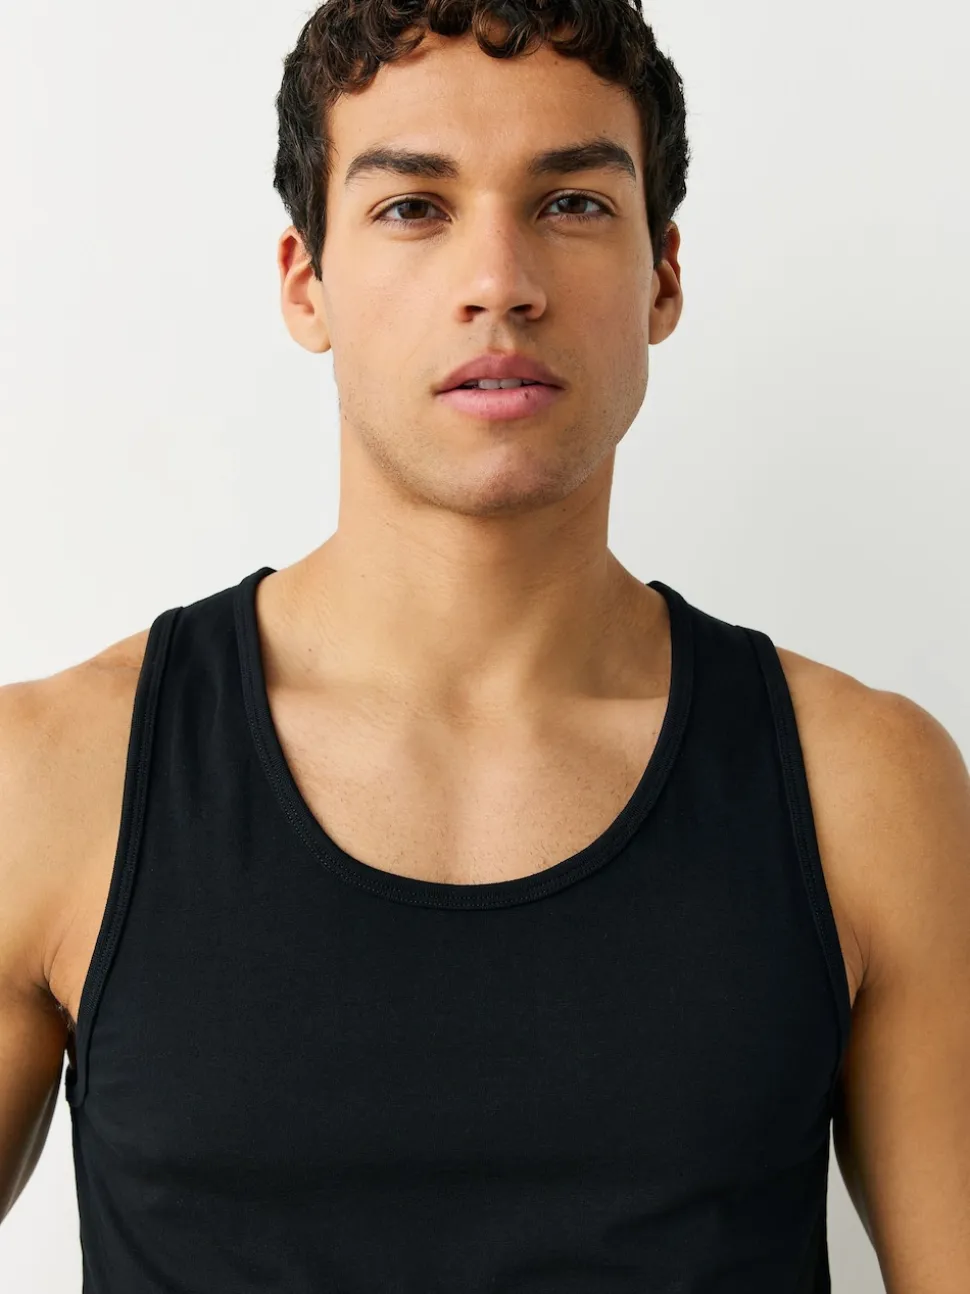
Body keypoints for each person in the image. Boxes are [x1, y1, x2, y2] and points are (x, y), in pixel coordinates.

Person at [2, 2, 969, 1291]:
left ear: (663, 275)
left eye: (572, 203)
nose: (500, 281)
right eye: (415, 207)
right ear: (306, 281)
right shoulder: (51, 780)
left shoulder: (866, 786)